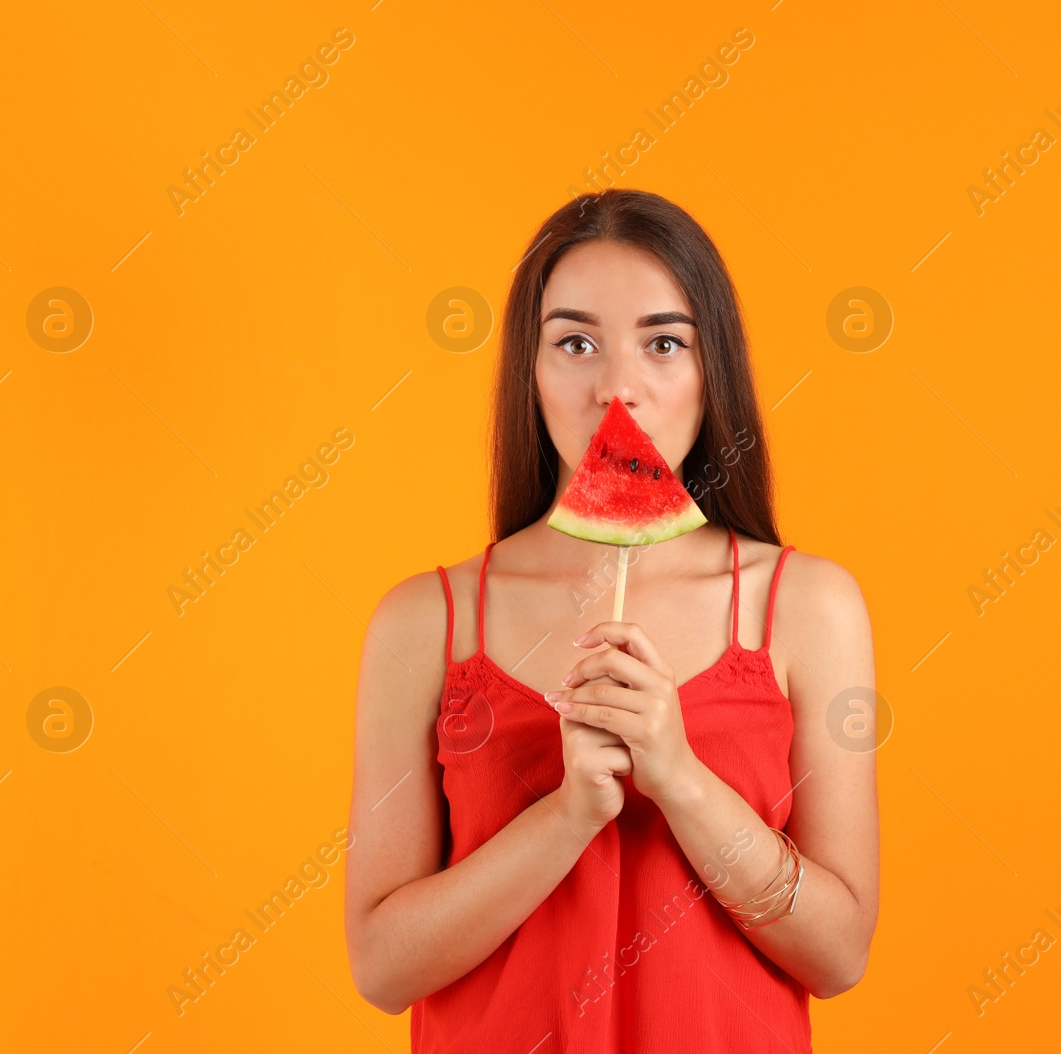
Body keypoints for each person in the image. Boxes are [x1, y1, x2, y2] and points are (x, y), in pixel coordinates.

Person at [344, 189, 879, 1051]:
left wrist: (678, 778)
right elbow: (381, 967)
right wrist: (565, 815)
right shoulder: (425, 620)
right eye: (576, 342)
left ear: (715, 372)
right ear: (531, 367)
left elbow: (839, 952)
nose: (618, 388)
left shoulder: (809, 606)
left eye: (664, 343)